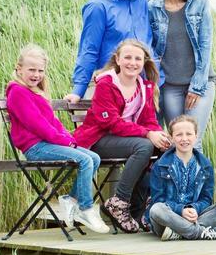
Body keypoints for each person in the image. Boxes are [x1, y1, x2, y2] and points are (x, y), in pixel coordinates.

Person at [4, 44, 110, 234]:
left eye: (40, 70)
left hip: (48, 144)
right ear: (19, 69)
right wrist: (66, 142)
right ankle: (85, 208)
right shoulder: (17, 92)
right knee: (84, 160)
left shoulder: (36, 92)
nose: (36, 74)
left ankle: (71, 200)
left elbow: (53, 122)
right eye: (31, 69)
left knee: (94, 158)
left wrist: (69, 138)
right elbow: (37, 125)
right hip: (35, 148)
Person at [73, 39, 171, 232]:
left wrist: (159, 134)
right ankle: (119, 203)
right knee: (144, 146)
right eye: (127, 57)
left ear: (144, 62)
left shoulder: (145, 87)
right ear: (118, 59)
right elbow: (110, 122)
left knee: (163, 147)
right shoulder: (106, 84)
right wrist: (147, 134)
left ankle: (140, 210)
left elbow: (149, 120)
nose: (132, 63)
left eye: (137, 59)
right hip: (98, 139)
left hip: (126, 140)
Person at [66, 0, 153, 103]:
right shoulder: (99, 5)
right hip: (106, 88)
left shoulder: (145, 3)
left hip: (139, 88)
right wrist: (78, 90)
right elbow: (89, 50)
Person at [148, 0, 215, 147]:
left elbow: (205, 45)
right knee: (177, 140)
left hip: (200, 83)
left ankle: (196, 179)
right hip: (170, 86)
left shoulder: (199, 3)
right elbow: (151, 48)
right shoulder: (153, 8)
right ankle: (178, 179)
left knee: (192, 141)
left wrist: (197, 86)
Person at [145, 115, 216, 241]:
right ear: (171, 138)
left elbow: (206, 199)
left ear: (196, 136)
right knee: (156, 209)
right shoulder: (160, 166)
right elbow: (158, 200)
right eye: (179, 135)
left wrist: (193, 209)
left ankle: (180, 233)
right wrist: (181, 210)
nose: (184, 139)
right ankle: (200, 233)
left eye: (189, 134)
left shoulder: (205, 166)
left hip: (194, 217)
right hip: (168, 220)